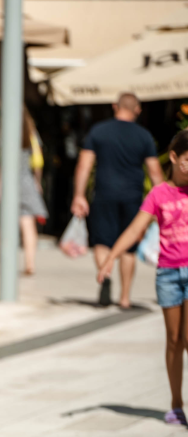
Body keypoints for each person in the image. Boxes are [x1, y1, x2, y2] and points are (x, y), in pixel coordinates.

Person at [97, 129, 188, 425]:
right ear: (174, 158)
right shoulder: (159, 194)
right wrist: (110, 257)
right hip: (168, 275)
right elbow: (136, 229)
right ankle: (176, 403)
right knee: (173, 339)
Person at [72, 92, 165, 308]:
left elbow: (84, 166)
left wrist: (79, 195)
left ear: (115, 106)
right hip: (133, 197)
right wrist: (162, 201)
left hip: (104, 194)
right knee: (129, 247)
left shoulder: (98, 131)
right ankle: (124, 298)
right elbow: (155, 172)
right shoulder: (144, 136)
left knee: (102, 242)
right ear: (138, 110)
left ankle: (105, 274)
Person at [0, 109, 48, 276]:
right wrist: (37, 182)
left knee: (2, 223)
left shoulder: (4, 133)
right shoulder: (32, 133)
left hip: (9, 181)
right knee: (28, 223)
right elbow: (38, 161)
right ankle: (30, 263)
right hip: (26, 181)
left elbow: (1, 162)